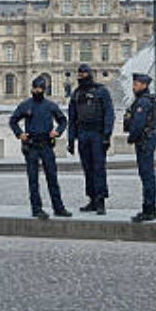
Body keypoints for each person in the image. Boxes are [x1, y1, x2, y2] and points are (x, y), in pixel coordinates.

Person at [9, 77, 72, 220]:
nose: (37, 91)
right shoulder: (25, 105)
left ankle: (58, 208)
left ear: (44, 89)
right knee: (33, 180)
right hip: (31, 145)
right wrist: (19, 134)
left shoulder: (50, 105)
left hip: (46, 145)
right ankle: (36, 209)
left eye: (39, 89)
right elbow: (13, 120)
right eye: (35, 88)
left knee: (52, 178)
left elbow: (63, 120)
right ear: (32, 89)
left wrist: (58, 131)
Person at [67, 64, 114, 215]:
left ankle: (101, 201)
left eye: (83, 74)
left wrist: (107, 135)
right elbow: (72, 118)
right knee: (87, 168)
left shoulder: (101, 91)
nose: (81, 77)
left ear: (90, 74)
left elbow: (109, 114)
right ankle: (92, 199)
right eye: (79, 75)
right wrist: (70, 140)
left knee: (98, 168)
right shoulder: (76, 94)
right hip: (83, 134)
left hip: (97, 134)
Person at [125, 73, 156, 223]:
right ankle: (149, 208)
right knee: (147, 175)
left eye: (136, 84)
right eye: (133, 84)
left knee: (147, 175)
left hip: (144, 141)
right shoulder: (143, 100)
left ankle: (149, 209)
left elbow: (138, 124)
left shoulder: (143, 102)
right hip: (147, 139)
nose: (134, 87)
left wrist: (131, 138)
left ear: (144, 85)